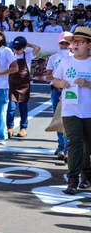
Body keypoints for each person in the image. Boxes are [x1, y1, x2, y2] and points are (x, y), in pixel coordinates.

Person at [52, 27, 91, 196]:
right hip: (70, 109)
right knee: (74, 144)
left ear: (89, 45)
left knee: (87, 145)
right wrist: (60, 84)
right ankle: (72, 181)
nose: (75, 44)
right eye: (73, 41)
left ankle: (86, 176)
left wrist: (88, 83)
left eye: (80, 42)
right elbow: (55, 79)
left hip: (89, 111)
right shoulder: (66, 61)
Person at [45, 31, 73, 161]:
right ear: (59, 43)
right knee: (58, 119)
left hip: (70, 91)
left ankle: (66, 148)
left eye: (67, 43)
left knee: (69, 120)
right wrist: (58, 75)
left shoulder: (74, 57)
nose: (65, 45)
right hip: (56, 90)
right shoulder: (53, 58)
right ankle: (61, 146)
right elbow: (48, 76)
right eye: (62, 43)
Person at [6, 35, 41, 138]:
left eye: (18, 48)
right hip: (12, 84)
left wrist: (28, 44)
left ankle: (23, 128)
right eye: (15, 48)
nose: (16, 51)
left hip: (24, 85)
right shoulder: (11, 55)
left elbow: (37, 48)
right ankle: (10, 127)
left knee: (23, 108)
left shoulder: (28, 55)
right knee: (11, 108)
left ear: (24, 48)